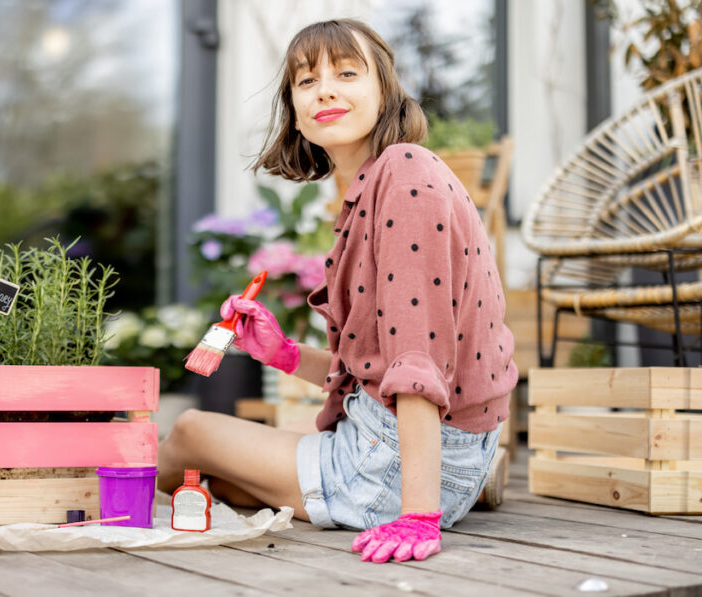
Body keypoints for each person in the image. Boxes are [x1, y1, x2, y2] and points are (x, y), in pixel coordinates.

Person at [158, 19, 517, 564]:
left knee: (188, 433)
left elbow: (416, 358)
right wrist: (282, 353)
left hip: (398, 467)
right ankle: (465, 484)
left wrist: (418, 517)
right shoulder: (376, 187)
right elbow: (375, 361)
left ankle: (98, 499)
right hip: (426, 448)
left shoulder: (405, 176)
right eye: (306, 82)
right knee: (228, 483)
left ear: (385, 93)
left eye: (347, 73)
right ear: (296, 113)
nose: (325, 88)